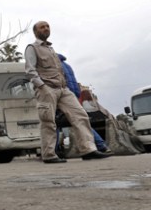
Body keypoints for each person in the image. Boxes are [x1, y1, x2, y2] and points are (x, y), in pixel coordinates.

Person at [25, 21, 109, 163]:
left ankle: (88, 150)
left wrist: (67, 87)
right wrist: (43, 87)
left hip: (63, 89)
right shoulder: (32, 48)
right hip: (47, 89)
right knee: (48, 121)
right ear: (35, 32)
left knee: (81, 115)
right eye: (42, 27)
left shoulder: (51, 49)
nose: (46, 28)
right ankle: (49, 155)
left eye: (47, 26)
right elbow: (30, 71)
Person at [58, 54, 112, 155]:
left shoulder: (55, 64)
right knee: (81, 122)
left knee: (54, 122)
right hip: (74, 95)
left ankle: (54, 150)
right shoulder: (67, 65)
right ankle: (101, 145)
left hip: (64, 95)